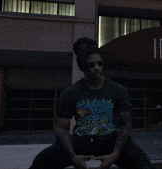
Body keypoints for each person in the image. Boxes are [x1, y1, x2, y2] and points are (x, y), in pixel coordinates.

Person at [28, 37, 154, 169]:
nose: (97, 68)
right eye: (91, 65)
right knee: (42, 160)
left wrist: (115, 154)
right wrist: (72, 156)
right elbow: (61, 127)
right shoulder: (72, 92)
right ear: (83, 67)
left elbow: (126, 124)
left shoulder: (118, 90)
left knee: (143, 162)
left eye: (99, 63)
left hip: (109, 140)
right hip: (81, 141)